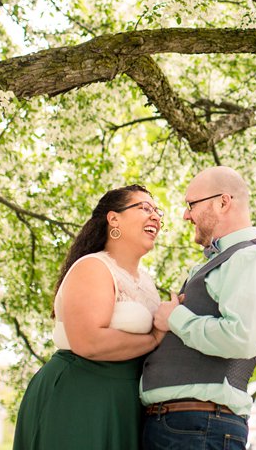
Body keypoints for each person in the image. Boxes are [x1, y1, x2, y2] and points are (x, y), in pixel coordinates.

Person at [140, 166, 256, 450]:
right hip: (182, 427)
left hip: (198, 428)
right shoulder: (220, 262)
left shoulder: (252, 259)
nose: (185, 215)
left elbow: (241, 338)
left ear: (223, 202)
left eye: (191, 204)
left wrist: (176, 317)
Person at [13, 185, 166, 450]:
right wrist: (154, 339)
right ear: (113, 218)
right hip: (78, 395)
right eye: (144, 208)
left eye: (157, 211)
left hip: (124, 402)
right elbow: (89, 341)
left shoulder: (147, 284)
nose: (155, 216)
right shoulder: (93, 267)